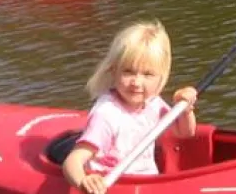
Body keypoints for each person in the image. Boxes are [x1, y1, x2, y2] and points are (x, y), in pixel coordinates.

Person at [62, 19, 199, 194]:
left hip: (148, 183)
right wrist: (83, 181)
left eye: (147, 74)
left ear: (161, 77)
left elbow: (185, 132)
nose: (136, 82)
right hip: (113, 185)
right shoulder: (107, 114)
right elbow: (73, 161)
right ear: (114, 71)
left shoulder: (153, 102)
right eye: (128, 72)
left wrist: (185, 109)